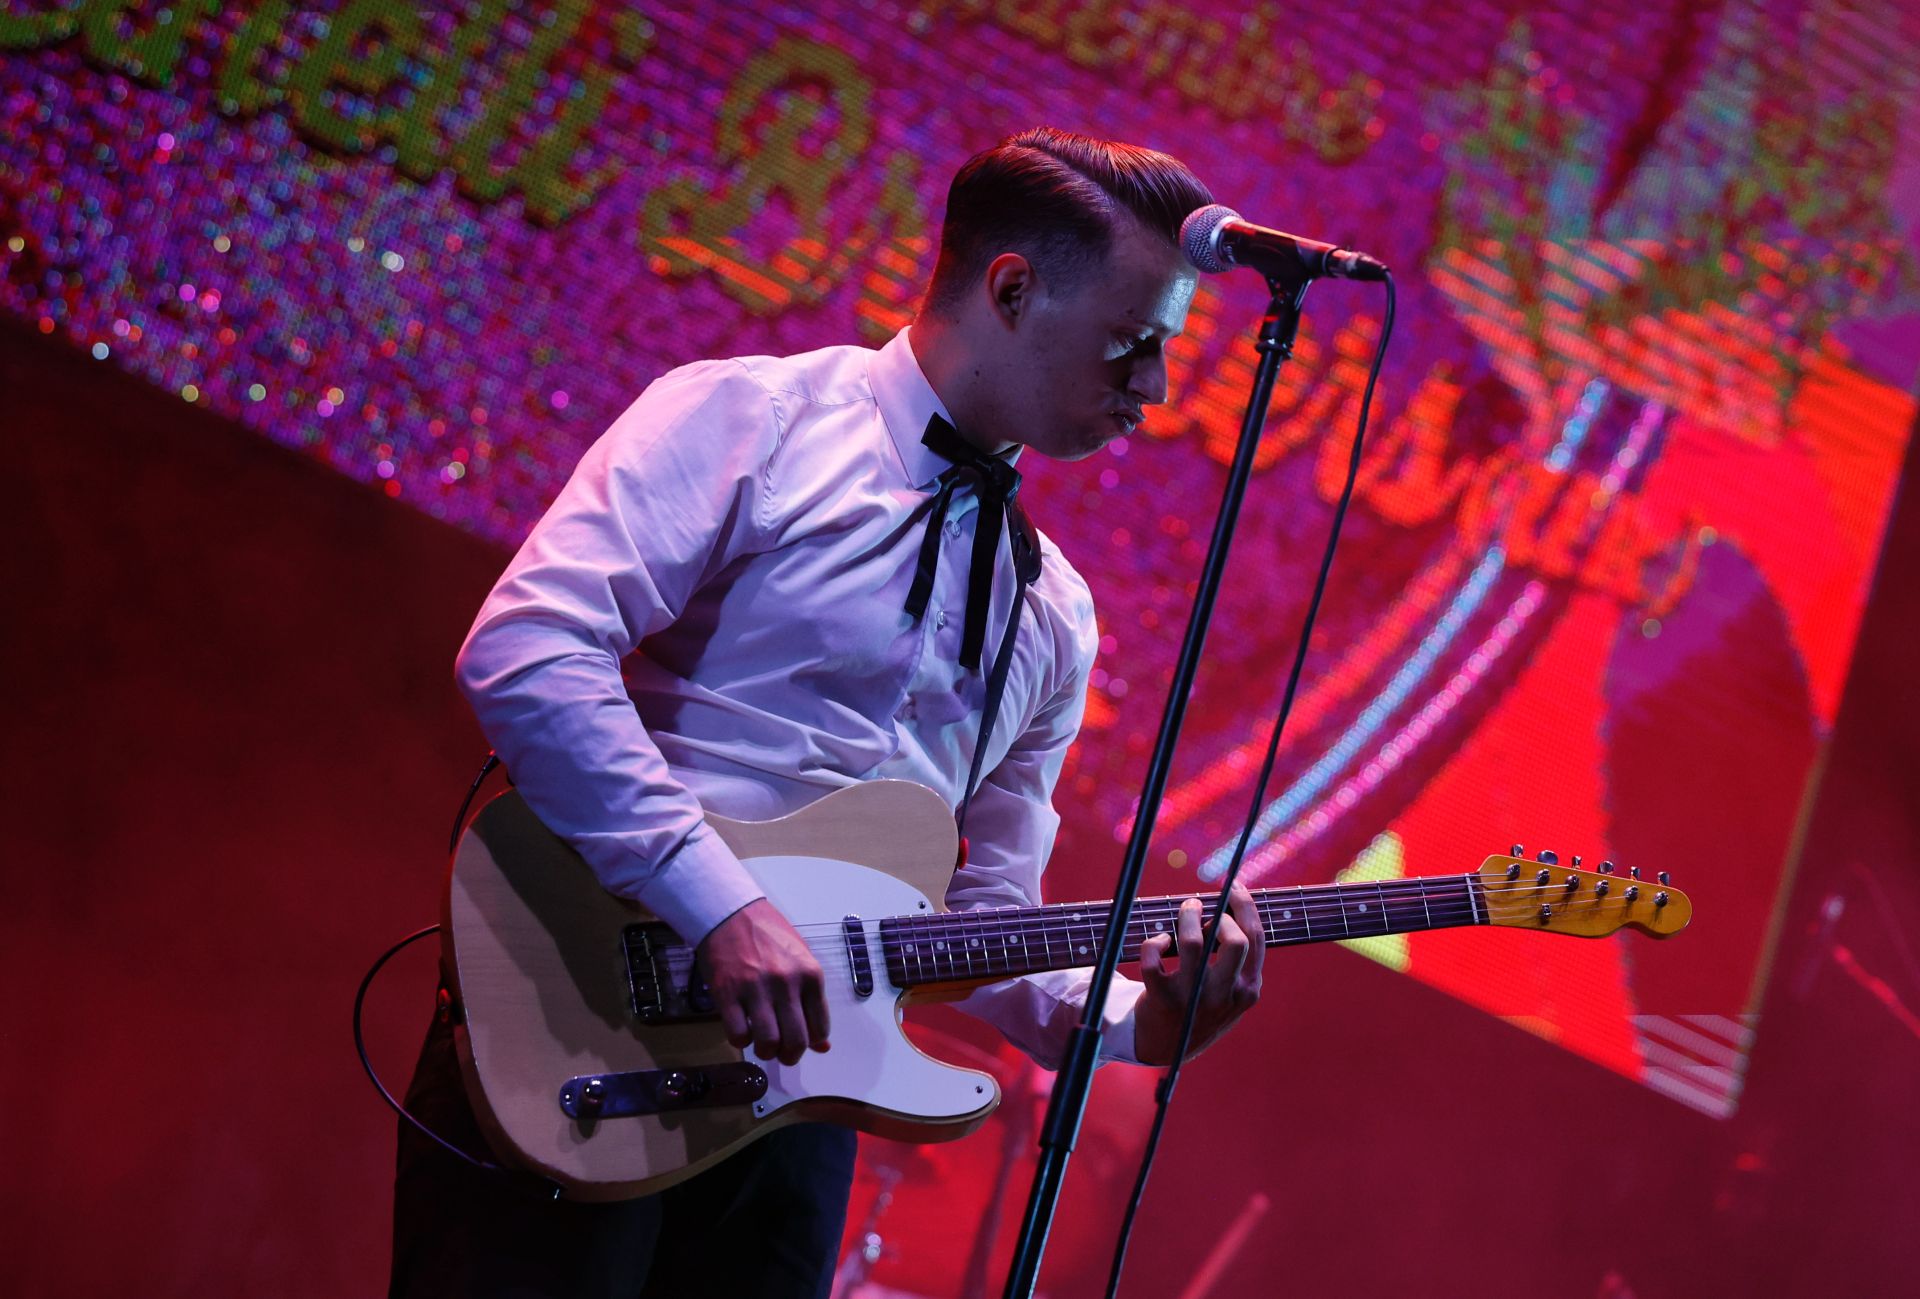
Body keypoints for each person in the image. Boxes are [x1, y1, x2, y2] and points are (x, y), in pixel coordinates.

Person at [390, 126, 1265, 1299]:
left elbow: (984, 920)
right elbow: (528, 652)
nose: (1153, 390)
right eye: (1130, 344)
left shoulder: (1052, 610)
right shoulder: (749, 422)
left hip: (800, 1103)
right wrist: (721, 905)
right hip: (579, 1029)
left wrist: (1147, 1017)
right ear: (1011, 288)